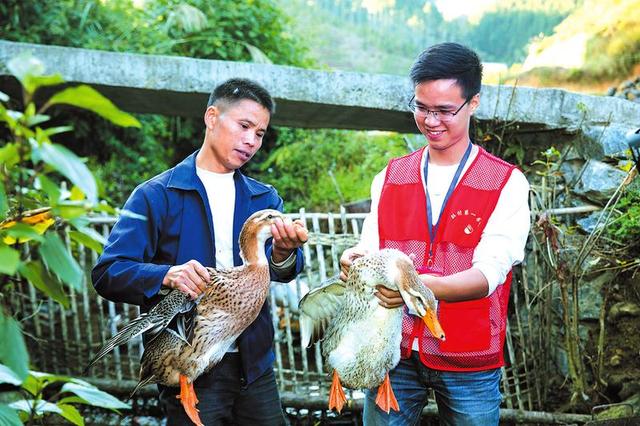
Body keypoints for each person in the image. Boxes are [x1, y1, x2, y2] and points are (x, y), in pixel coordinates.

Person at [92, 78, 308, 425]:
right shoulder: (156, 195)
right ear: (211, 117)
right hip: (187, 367)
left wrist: (283, 252)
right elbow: (108, 272)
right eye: (244, 126)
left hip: (254, 366)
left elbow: (286, 269)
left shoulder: (264, 198)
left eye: (260, 133)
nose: (251, 141)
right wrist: (166, 274)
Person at [340, 43, 530, 425]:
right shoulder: (391, 176)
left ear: (473, 103)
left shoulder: (505, 182)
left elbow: (487, 276)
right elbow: (371, 247)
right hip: (392, 349)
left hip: (468, 355)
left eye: (444, 110)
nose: (431, 120)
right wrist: (355, 260)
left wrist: (413, 286)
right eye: (421, 107)